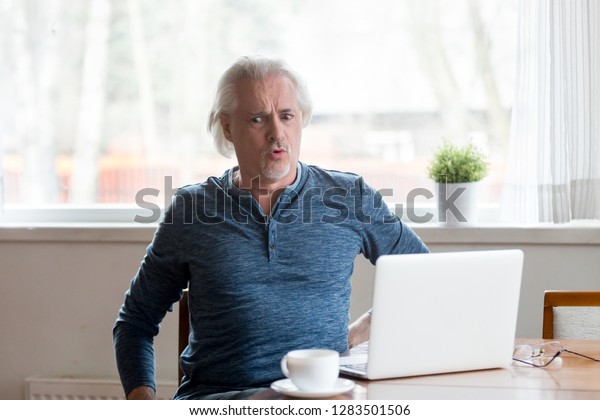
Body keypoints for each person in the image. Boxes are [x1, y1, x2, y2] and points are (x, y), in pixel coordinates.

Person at [113, 55, 429, 400]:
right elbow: (135, 323)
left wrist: (354, 334)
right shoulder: (191, 209)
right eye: (258, 118)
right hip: (223, 400)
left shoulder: (349, 196)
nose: (277, 133)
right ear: (228, 127)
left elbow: (425, 277)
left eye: (287, 116)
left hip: (319, 399)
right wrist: (142, 405)